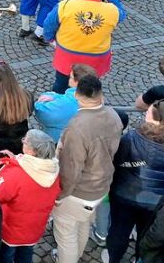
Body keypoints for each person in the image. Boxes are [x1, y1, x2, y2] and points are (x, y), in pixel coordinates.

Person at [52, 74, 123, 263]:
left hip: (78, 192)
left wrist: (59, 196)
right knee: (83, 223)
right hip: (101, 187)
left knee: (66, 234)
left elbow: (70, 169)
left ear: (77, 96)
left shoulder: (76, 128)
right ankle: (79, 254)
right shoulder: (113, 115)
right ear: (100, 95)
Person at [0, 129, 61, 263]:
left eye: (25, 141)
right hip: (34, 228)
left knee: (5, 256)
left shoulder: (16, 174)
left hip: (11, 230)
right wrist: (15, 159)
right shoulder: (52, 170)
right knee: (26, 254)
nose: (22, 142)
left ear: (32, 151)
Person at [43, 0, 126, 93]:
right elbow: (122, 14)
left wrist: (51, 39)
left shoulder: (66, 5)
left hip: (67, 57)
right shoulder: (112, 10)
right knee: (89, 89)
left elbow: (48, 25)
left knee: (60, 85)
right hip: (95, 59)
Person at [103, 99, 164, 263]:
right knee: (145, 232)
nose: (145, 114)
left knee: (118, 230)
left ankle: (113, 259)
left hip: (124, 194)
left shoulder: (131, 138)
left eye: (148, 112)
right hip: (156, 201)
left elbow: (117, 163)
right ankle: (139, 258)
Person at [33, 63, 96, 142]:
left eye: (71, 77)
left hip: (60, 141)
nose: (69, 78)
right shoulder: (94, 100)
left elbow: (42, 112)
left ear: (77, 83)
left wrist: (47, 97)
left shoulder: (66, 103)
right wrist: (56, 97)